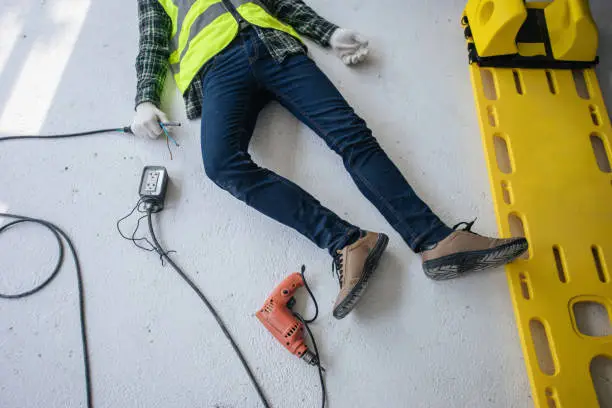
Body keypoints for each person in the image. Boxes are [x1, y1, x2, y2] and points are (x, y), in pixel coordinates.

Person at [132, 0, 528, 319]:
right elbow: (152, 42)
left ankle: (436, 240)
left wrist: (330, 33)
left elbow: (279, 2)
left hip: (274, 46)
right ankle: (347, 242)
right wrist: (145, 99)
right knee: (221, 166)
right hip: (214, 70)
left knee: (352, 137)